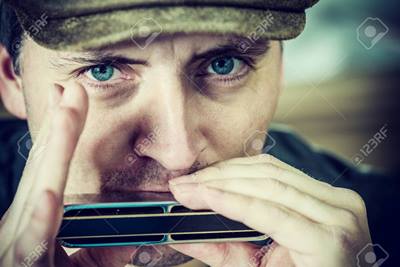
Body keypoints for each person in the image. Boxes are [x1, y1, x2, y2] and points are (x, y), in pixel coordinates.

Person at [0, 1, 397, 266]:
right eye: (102, 70)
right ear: (12, 80)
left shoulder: (381, 231)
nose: (179, 154)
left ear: (280, 70)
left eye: (224, 64)